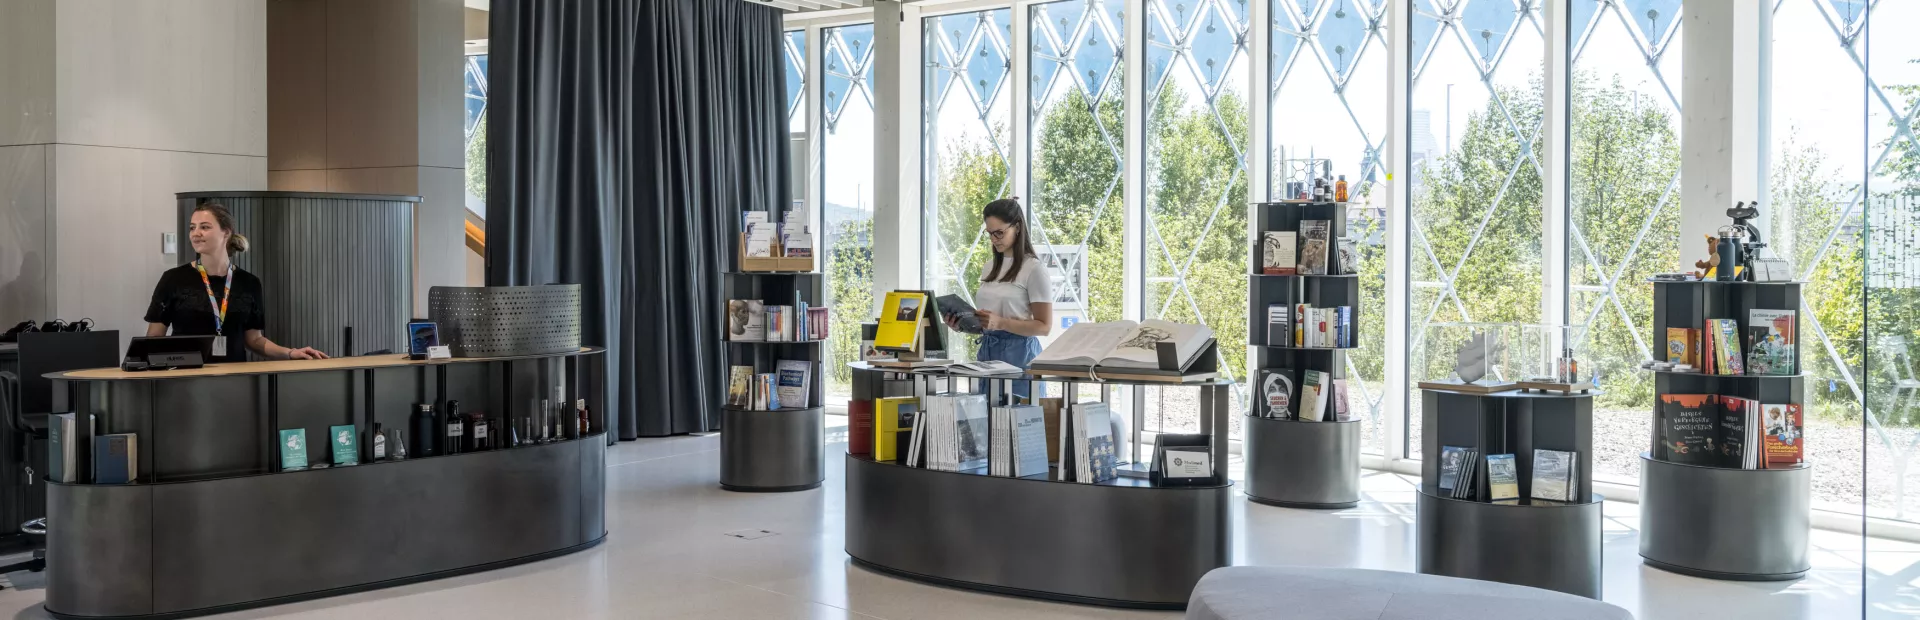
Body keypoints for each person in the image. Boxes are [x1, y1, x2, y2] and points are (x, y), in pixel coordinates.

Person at [145, 202, 329, 363]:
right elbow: (154, 337)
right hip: (186, 379)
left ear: (226, 232)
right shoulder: (173, 279)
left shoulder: (249, 282)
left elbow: (255, 340)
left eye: (205, 227)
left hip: (235, 379)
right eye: (192, 227)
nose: (196, 233)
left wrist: (290, 352)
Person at [947, 198, 1052, 402]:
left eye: (999, 232)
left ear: (1018, 227)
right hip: (987, 350)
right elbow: (990, 319)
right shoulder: (989, 267)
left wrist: (1001, 323)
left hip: (1020, 353)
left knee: (1018, 422)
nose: (994, 239)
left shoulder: (1034, 269)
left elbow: (1044, 326)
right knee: (985, 422)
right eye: (990, 233)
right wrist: (963, 324)